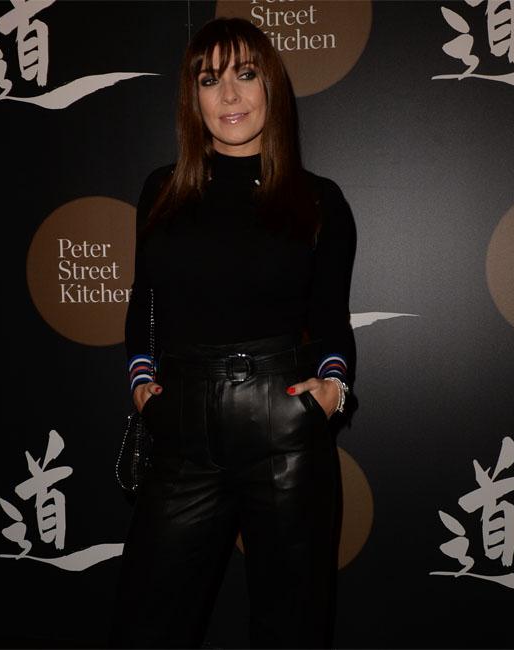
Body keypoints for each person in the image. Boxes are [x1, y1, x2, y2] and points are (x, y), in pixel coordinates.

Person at [110, 16, 357, 650]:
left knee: (291, 629)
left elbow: (332, 318)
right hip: (182, 429)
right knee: (146, 623)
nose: (229, 95)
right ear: (192, 98)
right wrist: (141, 383)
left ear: (270, 86)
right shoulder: (162, 191)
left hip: (286, 430)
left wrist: (331, 390)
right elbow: (144, 304)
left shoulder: (319, 200)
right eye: (209, 79)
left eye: (245, 74)